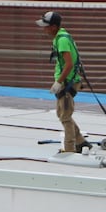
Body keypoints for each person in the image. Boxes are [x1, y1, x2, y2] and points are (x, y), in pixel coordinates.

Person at [38, 10, 85, 153]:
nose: (44, 29)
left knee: (65, 116)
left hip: (67, 82)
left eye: (46, 26)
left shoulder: (62, 40)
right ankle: (81, 142)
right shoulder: (60, 36)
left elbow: (69, 64)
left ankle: (70, 150)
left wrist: (59, 82)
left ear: (53, 27)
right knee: (62, 113)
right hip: (66, 80)